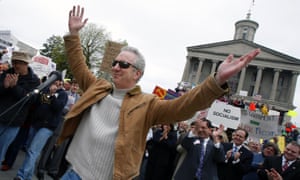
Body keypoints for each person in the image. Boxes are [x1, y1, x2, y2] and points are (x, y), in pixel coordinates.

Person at [58, 5, 260, 179]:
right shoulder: (98, 87)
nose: (116, 67)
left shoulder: (147, 104)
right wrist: (74, 35)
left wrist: (216, 80)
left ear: (137, 74)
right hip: (72, 171)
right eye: (114, 62)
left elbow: (184, 106)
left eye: (123, 64)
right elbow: (78, 66)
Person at [14, 71, 68, 180]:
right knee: (30, 149)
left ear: (60, 81)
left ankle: (21, 176)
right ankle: (28, 175)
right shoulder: (44, 90)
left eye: (56, 79)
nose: (54, 81)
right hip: (36, 123)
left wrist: (52, 95)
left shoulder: (62, 94)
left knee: (33, 151)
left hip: (47, 127)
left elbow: (58, 108)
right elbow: (36, 103)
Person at [0, 51, 40, 163]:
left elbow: (30, 99)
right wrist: (4, 86)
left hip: (13, 122)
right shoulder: (7, 73)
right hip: (1, 115)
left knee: (1, 150)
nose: (15, 65)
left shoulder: (34, 80)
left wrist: (14, 87)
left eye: (18, 63)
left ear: (26, 64)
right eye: (14, 62)